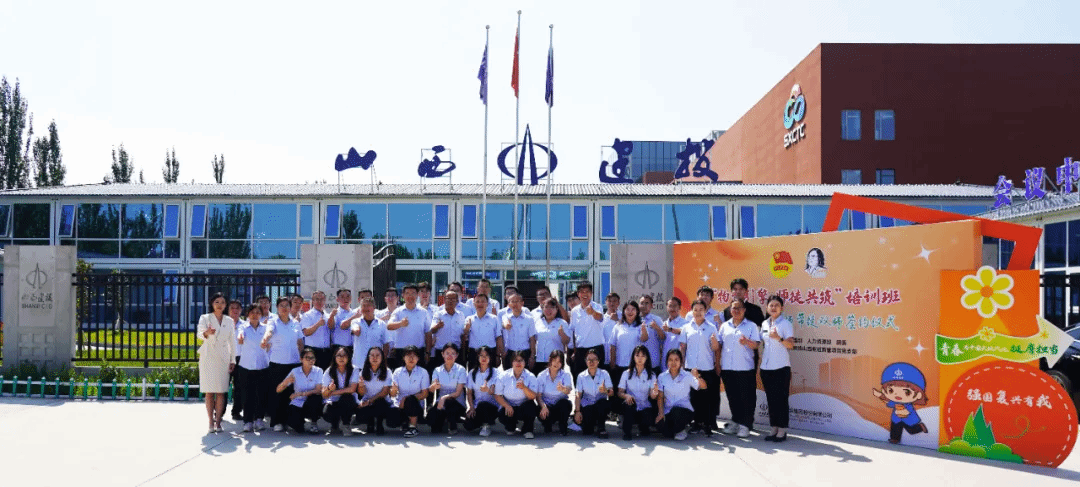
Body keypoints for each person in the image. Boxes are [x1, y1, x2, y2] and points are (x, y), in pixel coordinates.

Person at [719, 298, 761, 438]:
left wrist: (746, 342)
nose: (736, 310)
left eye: (739, 308)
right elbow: (719, 345)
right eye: (733, 308)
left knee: (746, 398)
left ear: (744, 310)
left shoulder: (751, 326)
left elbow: (756, 345)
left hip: (745, 368)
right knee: (733, 398)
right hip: (727, 368)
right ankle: (735, 421)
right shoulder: (724, 326)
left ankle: (745, 425)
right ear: (730, 310)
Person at [262, 297, 304, 432]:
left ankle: (289, 421)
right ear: (277, 307)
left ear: (290, 307)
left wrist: (302, 358)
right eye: (281, 305)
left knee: (291, 393)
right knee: (278, 393)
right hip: (277, 363)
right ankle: (277, 421)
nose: (284, 308)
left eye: (287, 305)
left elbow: (300, 342)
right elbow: (269, 332)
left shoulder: (295, 323)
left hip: (294, 363)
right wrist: (265, 340)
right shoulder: (273, 322)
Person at [680, 299, 721, 435]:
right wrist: (681, 365)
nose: (698, 312)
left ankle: (707, 424)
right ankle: (696, 423)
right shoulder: (686, 327)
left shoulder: (711, 327)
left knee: (706, 398)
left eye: (701, 310)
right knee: (694, 397)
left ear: (705, 311)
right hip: (690, 367)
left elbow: (716, 348)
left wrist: (714, 342)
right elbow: (683, 347)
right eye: (695, 310)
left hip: (706, 367)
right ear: (691, 311)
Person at [197, 292, 236, 433]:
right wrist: (207, 333)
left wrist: (233, 360)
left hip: (223, 358)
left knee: (221, 391)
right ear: (212, 304)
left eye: (222, 302)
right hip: (208, 356)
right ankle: (210, 421)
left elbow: (232, 341)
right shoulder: (205, 318)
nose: (220, 305)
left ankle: (218, 422)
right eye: (217, 302)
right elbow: (199, 334)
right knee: (209, 391)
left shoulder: (229, 320)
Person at [760, 295, 794, 442]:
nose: (773, 308)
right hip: (766, 367)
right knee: (771, 399)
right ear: (767, 308)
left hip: (781, 367)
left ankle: (782, 429)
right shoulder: (764, 323)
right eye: (771, 305)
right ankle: (773, 427)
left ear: (781, 308)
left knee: (781, 399)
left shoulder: (786, 324)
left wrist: (778, 338)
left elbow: (791, 345)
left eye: (776, 305)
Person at [656, 349, 706, 440]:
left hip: (684, 411)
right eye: (670, 360)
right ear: (667, 361)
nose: (673, 362)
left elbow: (703, 386)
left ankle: (681, 430)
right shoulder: (662, 377)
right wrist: (661, 413)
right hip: (668, 411)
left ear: (681, 361)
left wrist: (697, 376)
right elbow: (660, 396)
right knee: (661, 428)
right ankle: (676, 429)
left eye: (676, 360)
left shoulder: (687, 375)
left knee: (677, 412)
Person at [608, 300, 647, 415]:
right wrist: (612, 361)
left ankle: (634, 415)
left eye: (633, 309)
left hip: (636, 365)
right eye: (627, 309)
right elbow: (613, 345)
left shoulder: (640, 325)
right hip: (620, 364)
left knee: (633, 391)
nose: (630, 312)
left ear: (637, 311)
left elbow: (644, 339)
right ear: (623, 311)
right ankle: (620, 415)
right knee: (620, 391)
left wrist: (644, 330)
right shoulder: (618, 326)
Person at [236, 304, 270, 432]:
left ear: (261, 315)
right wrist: (240, 337)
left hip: (262, 365)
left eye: (258, 312)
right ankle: (248, 421)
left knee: (261, 394)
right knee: (247, 395)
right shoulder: (243, 327)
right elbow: (240, 335)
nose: (255, 315)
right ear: (248, 314)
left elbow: (269, 340)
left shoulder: (265, 328)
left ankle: (259, 419)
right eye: (252, 312)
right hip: (246, 366)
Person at [276, 347, 323, 434]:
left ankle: (314, 423)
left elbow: (318, 390)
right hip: (298, 402)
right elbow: (278, 390)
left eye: (312, 358)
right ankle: (298, 422)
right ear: (301, 359)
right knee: (297, 427)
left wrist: (300, 394)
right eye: (307, 358)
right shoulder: (295, 371)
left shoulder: (318, 371)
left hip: (310, 401)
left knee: (316, 398)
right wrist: (286, 382)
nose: (310, 360)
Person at [494, 350, 539, 438]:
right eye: (516, 360)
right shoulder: (504, 376)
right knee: (502, 414)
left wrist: (524, 388)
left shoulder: (530, 376)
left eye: (521, 360)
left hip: (523, 406)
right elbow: (497, 395)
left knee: (531, 407)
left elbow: (533, 396)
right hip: (509, 406)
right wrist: (507, 406)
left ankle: (528, 430)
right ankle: (511, 426)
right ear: (512, 362)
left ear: (525, 362)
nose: (518, 363)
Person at [426, 343, 468, 434]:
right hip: (441, 404)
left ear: (456, 355)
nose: (450, 356)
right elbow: (432, 388)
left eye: (453, 353)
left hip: (456, 403)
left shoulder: (461, 370)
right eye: (447, 353)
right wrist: (432, 387)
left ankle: (453, 426)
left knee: (449, 402)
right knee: (431, 422)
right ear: (442, 354)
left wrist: (443, 398)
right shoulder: (437, 370)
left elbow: (457, 393)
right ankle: (444, 421)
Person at [618, 345, 658, 441]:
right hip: (631, 405)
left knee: (648, 417)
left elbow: (652, 396)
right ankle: (627, 432)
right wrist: (626, 396)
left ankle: (643, 427)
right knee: (628, 405)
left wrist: (655, 392)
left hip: (644, 406)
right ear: (633, 357)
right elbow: (620, 392)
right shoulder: (626, 373)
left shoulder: (651, 375)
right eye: (637, 355)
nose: (640, 358)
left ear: (647, 358)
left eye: (643, 356)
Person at [390, 346, 429, 438]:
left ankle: (413, 428)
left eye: (414, 355)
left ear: (418, 358)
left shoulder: (423, 372)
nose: (411, 358)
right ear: (403, 358)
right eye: (408, 355)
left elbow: (425, 394)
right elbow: (392, 394)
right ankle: (405, 421)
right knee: (391, 421)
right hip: (400, 405)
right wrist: (393, 390)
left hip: (416, 406)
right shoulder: (397, 372)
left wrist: (406, 399)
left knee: (411, 400)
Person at [387, 285, 429, 370]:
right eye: (407, 293)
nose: (410, 296)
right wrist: (400, 324)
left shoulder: (423, 312)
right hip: (401, 352)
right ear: (403, 295)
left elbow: (428, 333)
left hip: (418, 351)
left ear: (417, 295)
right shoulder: (398, 311)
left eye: (413, 293)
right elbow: (389, 326)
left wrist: (427, 352)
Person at [573, 349, 613, 438]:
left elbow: (611, 393)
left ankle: (601, 427)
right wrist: (577, 411)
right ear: (585, 361)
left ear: (598, 361)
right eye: (589, 360)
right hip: (587, 405)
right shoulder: (581, 376)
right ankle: (592, 424)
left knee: (603, 403)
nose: (591, 362)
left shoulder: (604, 374)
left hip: (600, 405)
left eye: (594, 359)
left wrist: (605, 390)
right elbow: (578, 395)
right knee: (587, 431)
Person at [569, 282, 605, 378]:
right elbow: (573, 331)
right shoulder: (574, 311)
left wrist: (593, 312)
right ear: (578, 294)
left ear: (591, 293)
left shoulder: (597, 306)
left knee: (598, 378)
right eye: (582, 292)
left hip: (596, 348)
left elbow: (600, 317)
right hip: (580, 350)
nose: (585, 294)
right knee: (580, 378)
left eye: (587, 291)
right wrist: (574, 351)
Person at [321, 348, 360, 436]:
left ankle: (346, 424)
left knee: (347, 397)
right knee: (327, 413)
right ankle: (334, 424)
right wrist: (329, 389)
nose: (341, 358)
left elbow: (352, 389)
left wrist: (333, 392)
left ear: (348, 357)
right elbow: (324, 394)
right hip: (333, 401)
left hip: (349, 401)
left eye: (344, 355)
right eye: (338, 355)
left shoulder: (354, 369)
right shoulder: (329, 371)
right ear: (335, 357)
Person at [355, 346, 393, 436]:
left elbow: (385, 392)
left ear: (382, 357)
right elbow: (362, 393)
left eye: (377, 355)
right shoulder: (363, 372)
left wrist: (370, 401)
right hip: (367, 401)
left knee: (380, 402)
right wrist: (361, 386)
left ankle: (379, 425)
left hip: (382, 402)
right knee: (360, 414)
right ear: (368, 358)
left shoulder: (387, 371)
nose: (374, 358)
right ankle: (370, 423)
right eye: (372, 355)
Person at [463, 346, 500, 437]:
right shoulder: (472, 373)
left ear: (490, 357)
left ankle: (486, 425)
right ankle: (481, 422)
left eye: (486, 355)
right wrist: (471, 408)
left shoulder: (496, 372)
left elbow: (497, 392)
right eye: (481, 355)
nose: (484, 358)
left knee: (483, 405)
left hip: (492, 406)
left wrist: (488, 390)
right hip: (477, 406)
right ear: (478, 357)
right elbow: (469, 393)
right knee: (468, 425)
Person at [536, 350, 574, 435]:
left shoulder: (565, 375)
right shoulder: (541, 375)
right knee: (538, 409)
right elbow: (538, 396)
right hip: (547, 405)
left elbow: (568, 390)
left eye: (559, 362)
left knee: (566, 404)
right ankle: (547, 424)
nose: (556, 364)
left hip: (559, 406)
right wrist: (543, 406)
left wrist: (563, 389)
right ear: (550, 360)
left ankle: (563, 426)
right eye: (554, 360)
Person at [347, 296, 389, 370]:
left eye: (368, 305)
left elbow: (386, 344)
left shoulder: (382, 324)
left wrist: (383, 361)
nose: (366, 308)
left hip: (376, 365)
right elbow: (355, 329)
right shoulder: (355, 321)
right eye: (363, 306)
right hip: (358, 364)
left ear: (374, 308)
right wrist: (356, 330)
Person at [428, 290, 466, 372]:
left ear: (457, 301)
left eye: (453, 299)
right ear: (444, 299)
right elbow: (432, 330)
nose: (450, 301)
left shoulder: (461, 315)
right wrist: (438, 326)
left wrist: (463, 352)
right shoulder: (438, 314)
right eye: (448, 298)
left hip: (456, 352)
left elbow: (463, 334)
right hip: (441, 352)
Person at [531, 298, 571, 375]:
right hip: (540, 359)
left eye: (552, 307)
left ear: (556, 309)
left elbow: (567, 342)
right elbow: (533, 340)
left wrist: (562, 334)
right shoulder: (538, 322)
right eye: (546, 307)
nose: (548, 310)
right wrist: (532, 356)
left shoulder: (562, 323)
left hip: (556, 361)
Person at [464, 293, 503, 370]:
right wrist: (467, 329)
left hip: (490, 353)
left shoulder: (494, 319)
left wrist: (498, 355)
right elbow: (465, 336)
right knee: (473, 376)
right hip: (474, 354)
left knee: (491, 376)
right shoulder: (469, 319)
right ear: (474, 304)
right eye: (477, 302)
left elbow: (498, 337)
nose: (480, 304)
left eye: (483, 301)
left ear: (487, 304)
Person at [500, 293, 537, 369]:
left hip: (525, 352)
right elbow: (503, 325)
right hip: (510, 353)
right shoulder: (505, 317)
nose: (514, 304)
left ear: (522, 303)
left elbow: (532, 339)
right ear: (508, 304)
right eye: (512, 301)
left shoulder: (529, 319)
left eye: (517, 301)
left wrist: (532, 356)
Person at [299, 291, 332, 370]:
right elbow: (306, 332)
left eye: (322, 299)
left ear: (325, 301)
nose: (319, 301)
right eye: (317, 299)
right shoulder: (307, 315)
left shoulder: (327, 316)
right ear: (313, 301)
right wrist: (318, 324)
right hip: (312, 351)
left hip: (326, 352)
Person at [228, 299, 246, 420]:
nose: (235, 311)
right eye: (232, 308)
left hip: (240, 358)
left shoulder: (245, 324)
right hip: (225, 358)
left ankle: (236, 411)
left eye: (237, 308)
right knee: (222, 387)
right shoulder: (223, 323)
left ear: (241, 310)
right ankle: (218, 411)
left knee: (239, 387)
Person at [637, 296, 666, 372]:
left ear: (652, 306)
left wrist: (657, 328)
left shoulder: (657, 319)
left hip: (653, 361)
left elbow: (663, 337)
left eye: (647, 303)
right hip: (638, 363)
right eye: (642, 303)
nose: (644, 305)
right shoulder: (635, 319)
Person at [660, 297, 687, 372]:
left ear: (679, 308)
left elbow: (682, 331)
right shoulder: (664, 323)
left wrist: (670, 329)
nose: (672, 308)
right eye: (670, 306)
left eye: (675, 306)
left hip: (678, 361)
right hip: (665, 361)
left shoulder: (685, 323)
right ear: (667, 308)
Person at [327, 288, 355, 359]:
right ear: (337, 299)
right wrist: (332, 316)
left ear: (351, 299)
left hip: (351, 348)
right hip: (338, 347)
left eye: (348, 296)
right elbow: (330, 326)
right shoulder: (335, 313)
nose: (345, 299)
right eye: (342, 297)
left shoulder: (354, 312)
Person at [600, 293, 622, 367]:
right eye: (609, 301)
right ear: (606, 302)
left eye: (614, 301)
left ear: (618, 303)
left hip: (620, 356)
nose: (612, 303)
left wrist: (617, 320)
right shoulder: (602, 318)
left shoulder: (623, 316)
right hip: (606, 355)